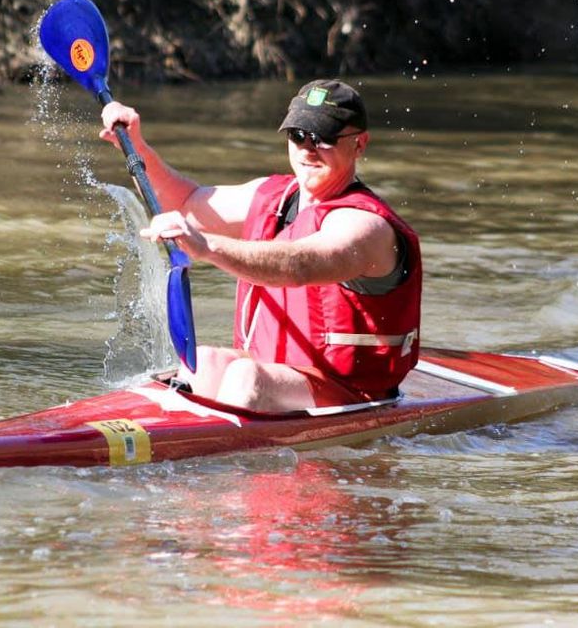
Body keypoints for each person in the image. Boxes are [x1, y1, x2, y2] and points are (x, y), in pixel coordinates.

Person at [100, 79, 421, 412]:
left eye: (324, 137)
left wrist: (206, 246)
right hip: (273, 375)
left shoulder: (366, 227)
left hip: (352, 396)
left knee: (245, 377)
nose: (308, 149)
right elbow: (184, 203)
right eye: (298, 136)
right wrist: (135, 145)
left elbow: (299, 264)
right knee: (205, 361)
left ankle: (213, 455)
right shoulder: (272, 195)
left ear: (360, 144)